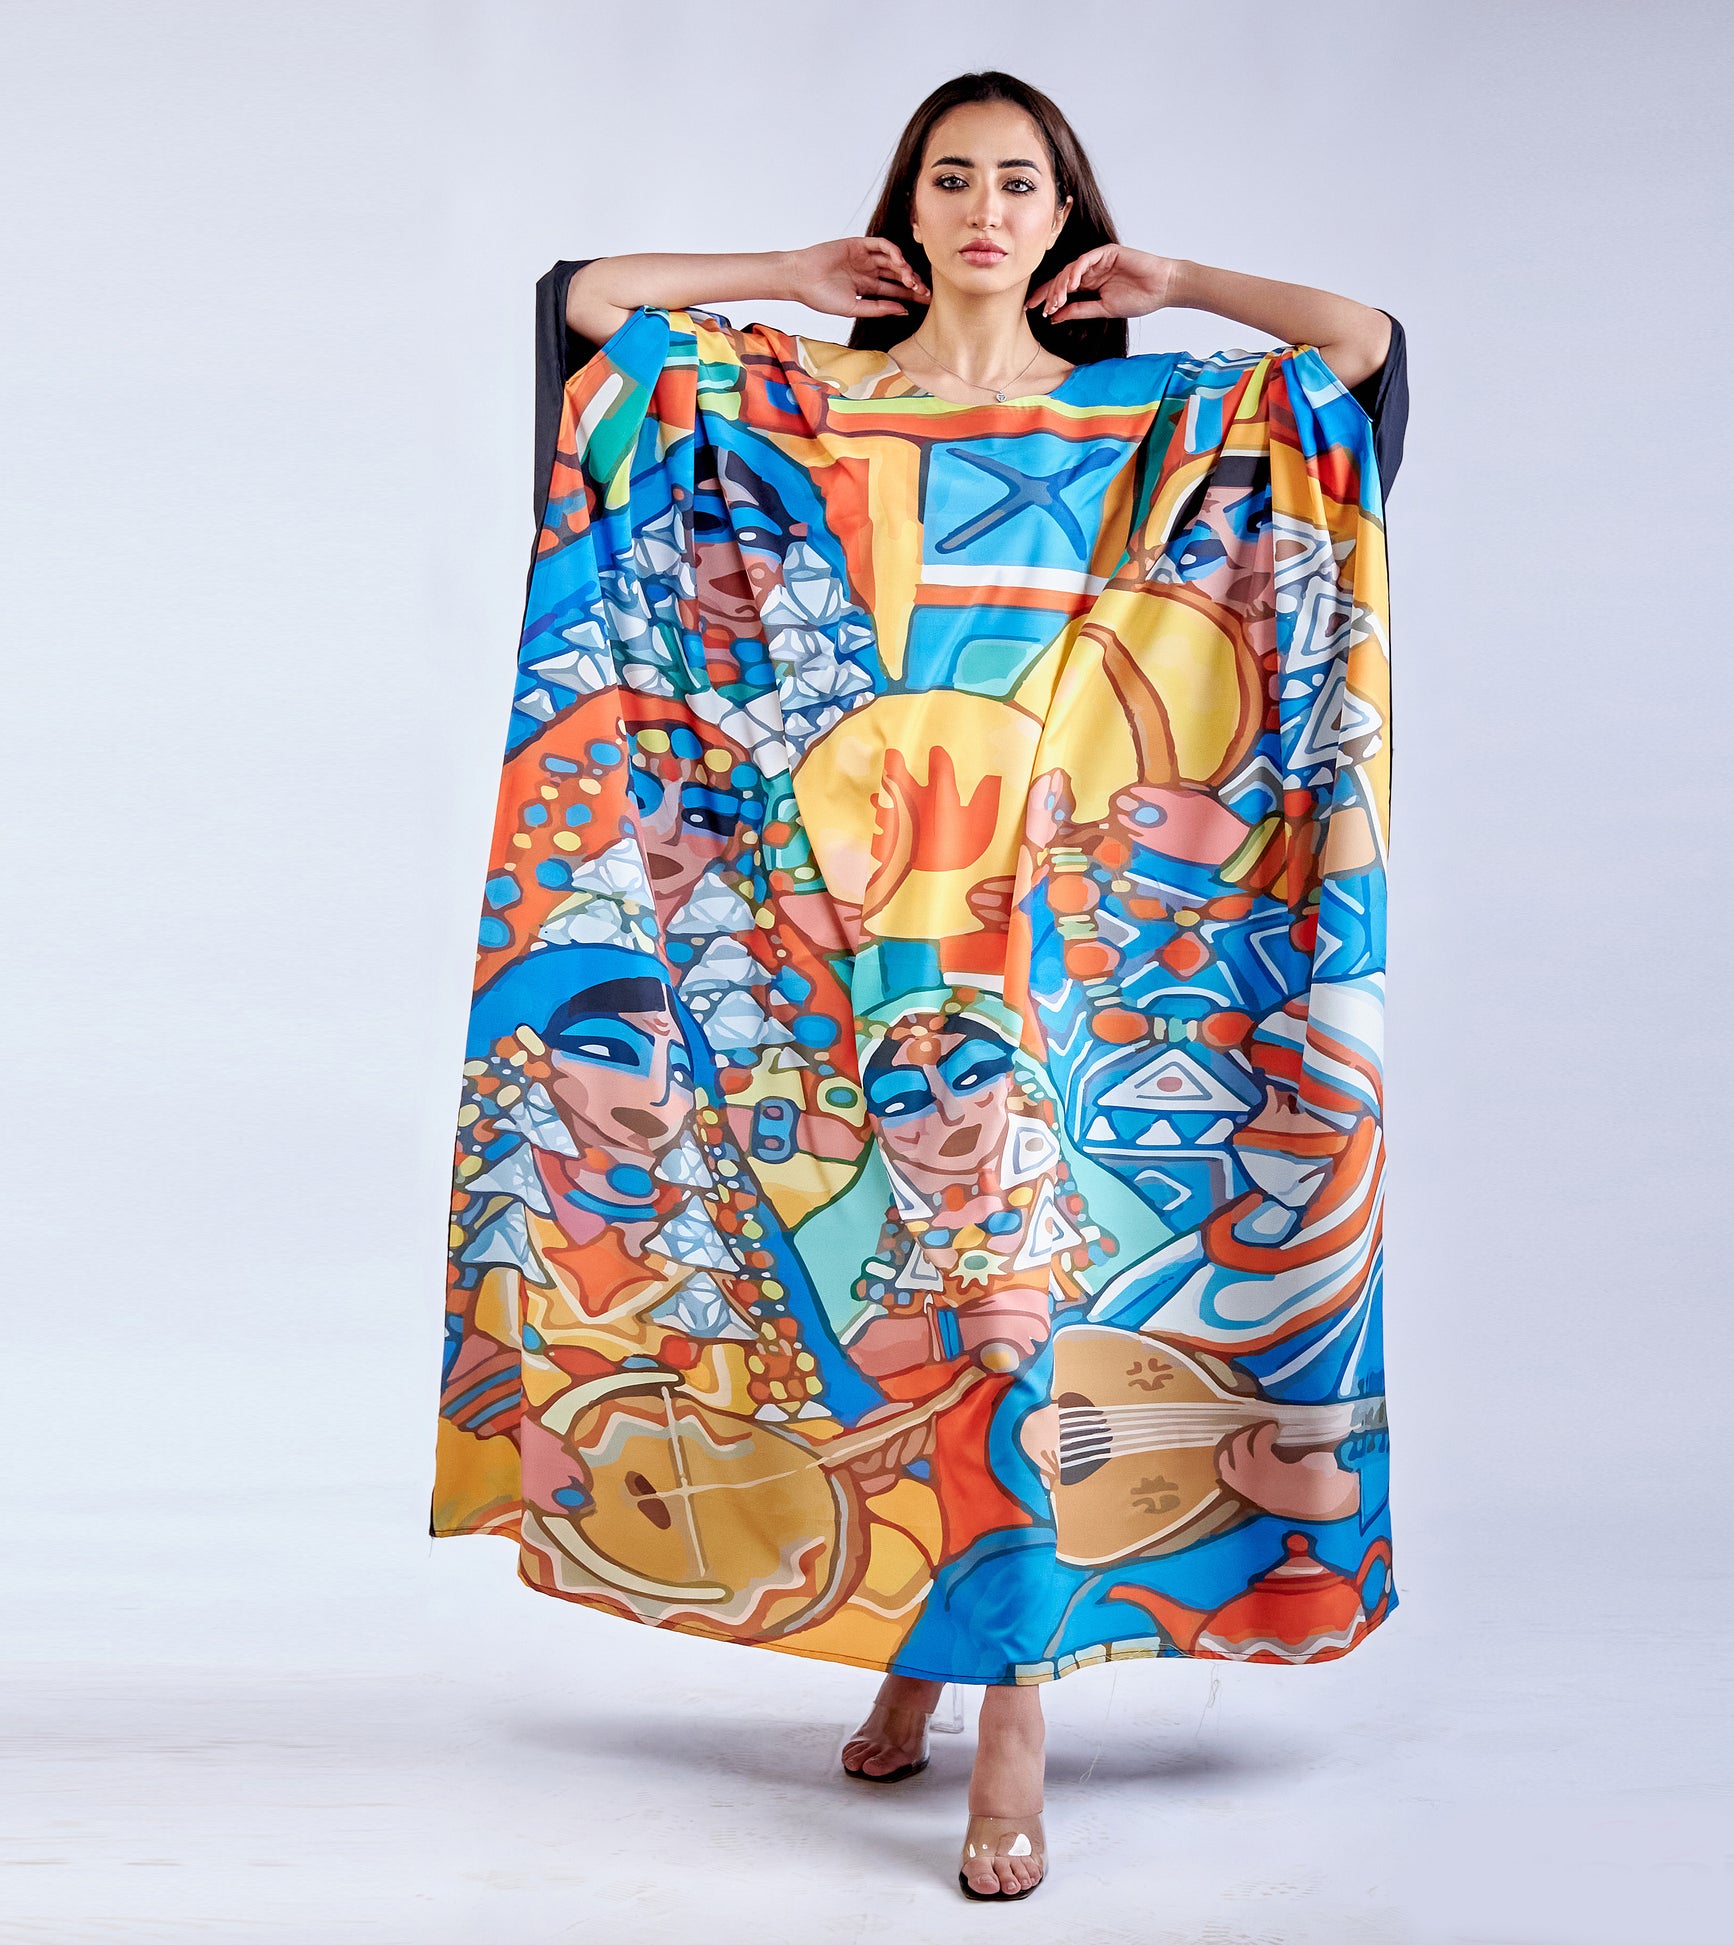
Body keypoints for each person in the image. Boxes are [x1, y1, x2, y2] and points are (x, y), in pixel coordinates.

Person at [515, 69, 1408, 1903]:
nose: (984, 209)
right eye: (951, 178)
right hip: (831, 943)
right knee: (871, 1299)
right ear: (905, 206)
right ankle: (922, 1642)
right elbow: (590, 308)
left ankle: (1009, 1722)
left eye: (1019, 181)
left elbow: (1360, 353)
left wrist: (1177, 282)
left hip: (1059, 948)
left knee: (1014, 1304)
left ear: (1062, 212)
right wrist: (784, 272)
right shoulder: (799, 396)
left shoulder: (1149, 414)